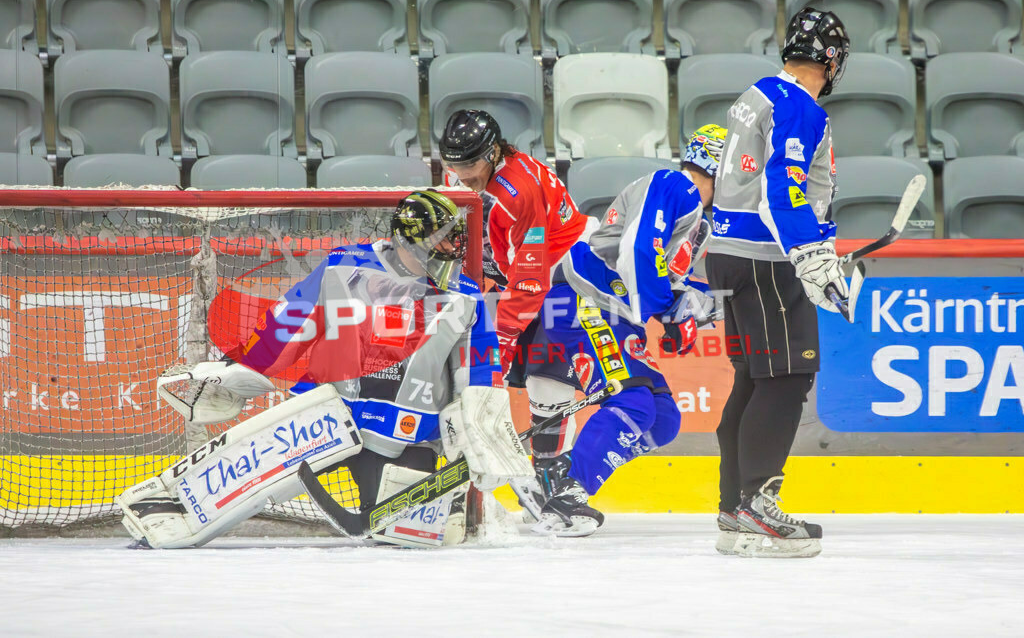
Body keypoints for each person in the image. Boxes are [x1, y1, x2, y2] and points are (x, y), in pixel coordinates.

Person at [117, 191, 532, 549]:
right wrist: (236, 369)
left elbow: (478, 372)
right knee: (226, 488)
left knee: (408, 538)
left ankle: (446, 509)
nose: (451, 252)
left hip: (405, 439)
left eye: (453, 242)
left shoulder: (467, 297)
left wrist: (481, 427)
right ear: (409, 241)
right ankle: (168, 504)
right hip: (325, 418)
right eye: (441, 244)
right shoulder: (341, 268)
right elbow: (287, 323)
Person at [522, 124, 727, 536]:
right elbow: (637, 253)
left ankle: (561, 472)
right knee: (634, 403)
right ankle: (566, 492)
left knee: (663, 419)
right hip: (582, 300)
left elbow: (666, 281)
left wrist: (692, 309)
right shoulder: (675, 186)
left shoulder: (698, 220)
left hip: (613, 312)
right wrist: (671, 311)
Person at [706, 6, 851, 558]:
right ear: (832, 60)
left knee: (754, 377)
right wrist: (810, 254)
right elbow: (780, 189)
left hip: (728, 252)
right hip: (766, 257)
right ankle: (756, 505)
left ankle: (732, 509)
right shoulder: (799, 106)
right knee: (788, 377)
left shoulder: (756, 92)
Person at [439, 109, 597, 521]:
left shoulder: (518, 192)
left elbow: (530, 282)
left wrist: (502, 341)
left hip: (566, 273)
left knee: (547, 381)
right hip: (522, 272)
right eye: (454, 165)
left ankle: (553, 482)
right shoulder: (471, 178)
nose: (462, 174)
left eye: (470, 165)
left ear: (492, 153)